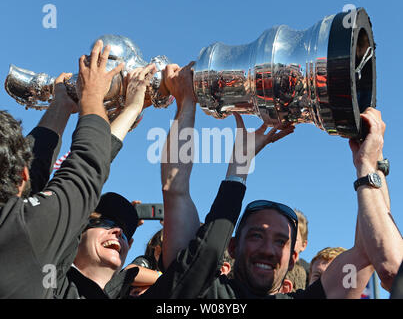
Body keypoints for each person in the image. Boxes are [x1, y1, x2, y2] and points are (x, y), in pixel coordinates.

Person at [141, 98, 401, 298]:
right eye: (256, 235)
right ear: (232, 247)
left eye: (281, 241)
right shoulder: (199, 290)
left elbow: (369, 250)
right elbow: (175, 191)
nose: (268, 250)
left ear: (294, 258)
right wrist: (187, 102)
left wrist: (369, 163)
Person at [0, 39, 123, 298]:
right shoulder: (21, 233)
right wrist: (91, 96)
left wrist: (62, 105)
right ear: (23, 177)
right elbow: (87, 167)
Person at [53, 53, 162, 298]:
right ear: (77, 229)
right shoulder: (49, 282)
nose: (118, 233)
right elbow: (84, 174)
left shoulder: (120, 290)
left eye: (124, 231)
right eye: (105, 223)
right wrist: (128, 108)